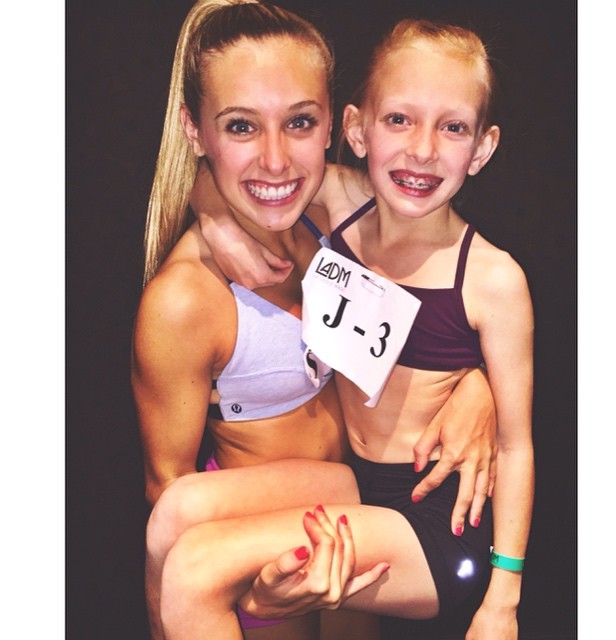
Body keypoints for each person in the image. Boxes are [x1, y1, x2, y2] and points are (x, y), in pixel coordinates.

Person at [158, 14, 535, 640]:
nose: (423, 149)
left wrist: (504, 598)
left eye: (452, 128)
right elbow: (238, 173)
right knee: (175, 514)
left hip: (434, 526)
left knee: (196, 570)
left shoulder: (493, 278)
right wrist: (217, 222)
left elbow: (517, 447)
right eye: (400, 119)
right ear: (357, 129)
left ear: (482, 147)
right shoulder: (341, 205)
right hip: (353, 483)